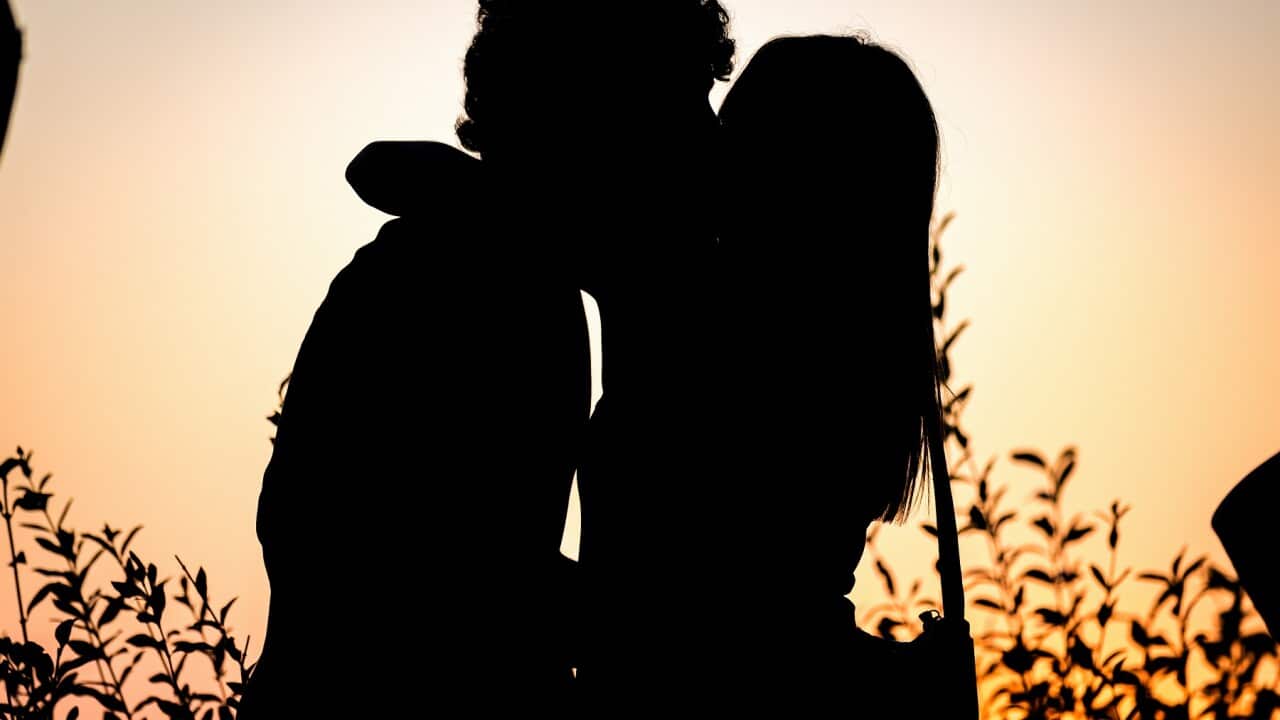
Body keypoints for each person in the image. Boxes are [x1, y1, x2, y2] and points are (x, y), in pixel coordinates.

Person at [711, 34, 950, 711]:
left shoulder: (752, 345)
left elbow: (721, 614)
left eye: (735, 131)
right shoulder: (858, 355)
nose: (710, 150)